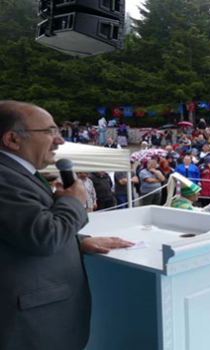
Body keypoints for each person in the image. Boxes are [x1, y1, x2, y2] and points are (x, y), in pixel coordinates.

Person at [0, 101, 133, 350]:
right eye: (49, 131)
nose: (59, 140)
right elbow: (43, 237)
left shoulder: (18, 173)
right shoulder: (5, 176)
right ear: (12, 139)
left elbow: (16, 231)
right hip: (32, 324)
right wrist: (74, 201)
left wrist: (78, 241)